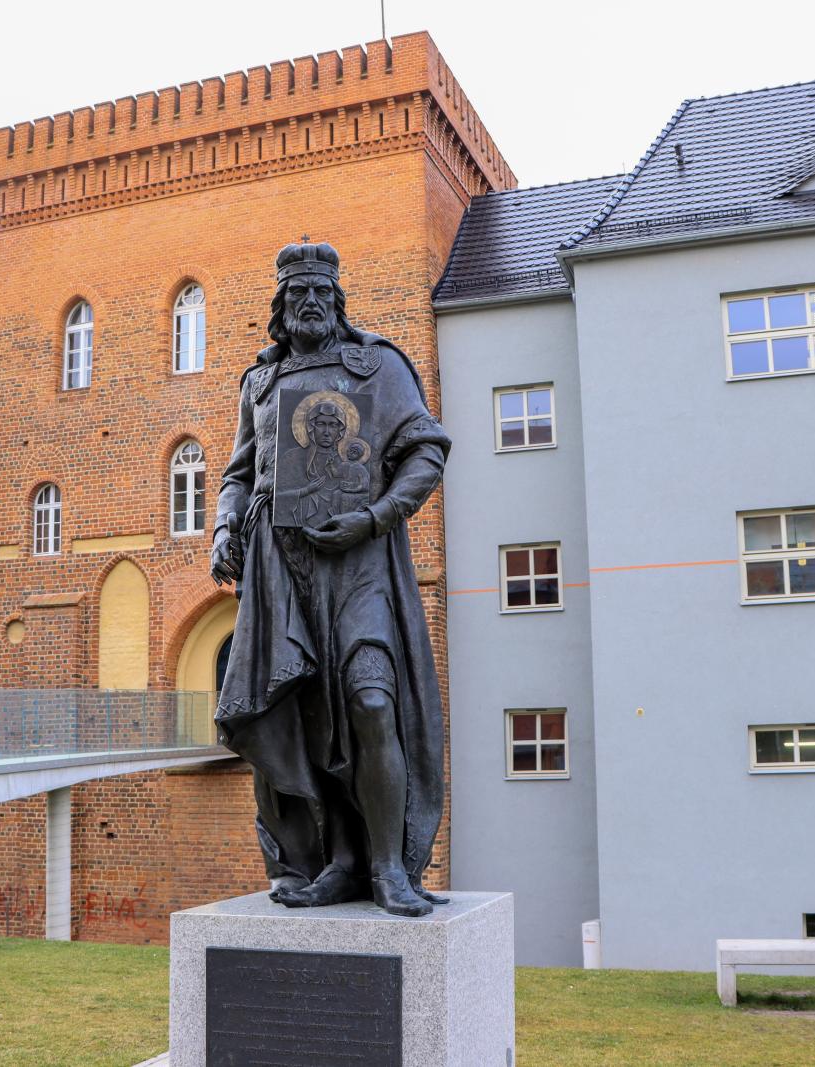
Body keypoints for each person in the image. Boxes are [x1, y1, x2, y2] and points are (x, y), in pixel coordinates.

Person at [211, 240, 450, 917]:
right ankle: (340, 863)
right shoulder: (259, 382)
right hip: (281, 572)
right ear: (280, 308)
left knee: (371, 702)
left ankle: (388, 866)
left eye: (321, 293)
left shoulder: (376, 366)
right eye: (296, 295)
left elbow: (425, 451)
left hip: (359, 563)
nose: (309, 304)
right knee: (312, 721)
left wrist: (375, 517)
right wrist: (226, 526)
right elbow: (236, 474)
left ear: (338, 301)